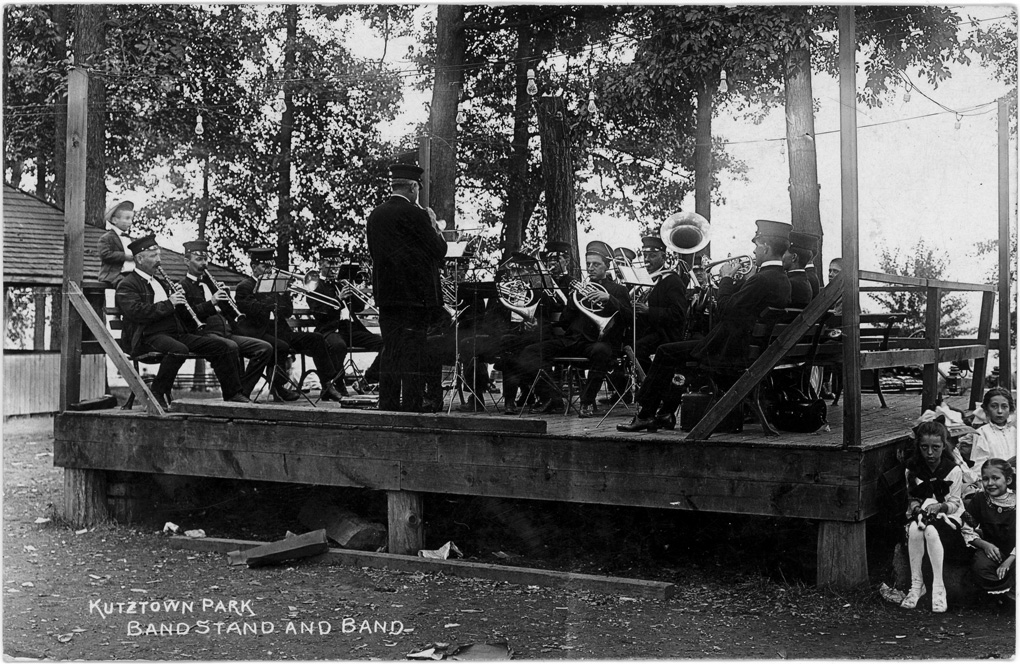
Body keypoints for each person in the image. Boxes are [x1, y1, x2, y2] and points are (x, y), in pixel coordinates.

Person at [618, 218, 793, 432]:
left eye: (756, 246)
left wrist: (727, 278)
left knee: (665, 352)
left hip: (729, 351)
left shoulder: (762, 279)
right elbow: (740, 306)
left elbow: (726, 309)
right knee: (677, 354)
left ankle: (645, 414)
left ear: (766, 247)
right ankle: (665, 414)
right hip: (743, 348)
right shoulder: (780, 279)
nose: (754, 251)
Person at [115, 234, 249, 410]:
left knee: (224, 346)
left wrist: (179, 299)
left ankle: (233, 394)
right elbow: (137, 312)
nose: (159, 260)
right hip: (146, 336)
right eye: (154, 256)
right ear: (139, 259)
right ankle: (157, 392)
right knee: (179, 350)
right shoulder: (127, 284)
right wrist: (170, 303)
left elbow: (177, 311)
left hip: (174, 334)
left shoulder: (160, 282)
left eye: (159, 255)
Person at [366, 163, 448, 412]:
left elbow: (375, 254)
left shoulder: (375, 215)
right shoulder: (418, 214)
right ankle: (411, 405)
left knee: (391, 350)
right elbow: (439, 250)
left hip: (387, 297)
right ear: (413, 187)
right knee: (413, 352)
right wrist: (433, 224)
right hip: (416, 299)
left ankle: (388, 404)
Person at [517, 243, 632, 418]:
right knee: (529, 352)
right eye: (589, 264)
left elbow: (629, 318)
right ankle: (552, 398)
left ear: (607, 266)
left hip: (598, 342)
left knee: (601, 351)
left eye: (596, 264)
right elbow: (564, 322)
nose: (591, 269)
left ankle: (586, 402)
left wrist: (609, 299)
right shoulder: (579, 290)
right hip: (572, 341)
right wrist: (572, 300)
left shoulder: (618, 290)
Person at [234, 247, 345, 403]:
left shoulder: (278, 284)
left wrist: (281, 294)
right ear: (253, 267)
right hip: (259, 332)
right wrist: (269, 296)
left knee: (316, 339)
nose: (269, 270)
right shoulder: (244, 286)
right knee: (281, 346)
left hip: (281, 330)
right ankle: (277, 387)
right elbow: (253, 310)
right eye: (265, 266)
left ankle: (327, 384)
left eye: (271, 266)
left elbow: (287, 311)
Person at [177, 240, 274, 400]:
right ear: (187, 261)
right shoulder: (183, 286)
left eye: (206, 259)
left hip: (227, 333)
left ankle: (243, 392)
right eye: (199, 259)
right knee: (230, 347)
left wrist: (227, 298)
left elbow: (231, 313)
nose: (204, 263)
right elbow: (186, 317)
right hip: (203, 334)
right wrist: (212, 303)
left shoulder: (211, 284)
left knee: (264, 348)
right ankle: (233, 394)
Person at [900, 420, 967, 613]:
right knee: (915, 528)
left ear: (943, 446)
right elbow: (912, 497)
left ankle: (939, 587)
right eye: (925, 447)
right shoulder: (912, 469)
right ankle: (916, 585)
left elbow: (955, 503)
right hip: (922, 516)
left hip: (947, 519)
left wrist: (940, 506)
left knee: (929, 530)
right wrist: (916, 508)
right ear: (918, 446)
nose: (930, 453)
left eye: (935, 448)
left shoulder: (952, 470)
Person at [308, 249, 383, 392]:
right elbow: (320, 314)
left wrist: (352, 291)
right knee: (338, 346)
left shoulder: (340, 283)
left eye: (336, 262)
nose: (334, 266)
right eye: (330, 262)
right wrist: (339, 298)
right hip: (330, 329)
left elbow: (360, 307)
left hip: (350, 328)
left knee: (385, 344)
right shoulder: (314, 285)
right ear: (321, 264)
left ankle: (367, 379)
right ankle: (336, 384)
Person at [961, 458, 1016, 599]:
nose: (990, 483)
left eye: (996, 478)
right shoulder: (980, 500)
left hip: (1015, 553)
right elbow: (967, 529)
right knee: (980, 565)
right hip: (995, 552)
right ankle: (1001, 594)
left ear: (1008, 480)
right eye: (985, 479)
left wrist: (1009, 560)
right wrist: (985, 545)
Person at [970, 387, 1017, 470]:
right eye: (994, 406)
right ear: (986, 409)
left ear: (1010, 410)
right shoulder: (981, 433)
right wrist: (1007, 464)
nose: (999, 411)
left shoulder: (1015, 431)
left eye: (1004, 406)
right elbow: (979, 468)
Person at [98, 199, 136, 286]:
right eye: (127, 218)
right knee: (127, 285)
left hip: (131, 275)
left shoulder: (130, 239)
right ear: (115, 220)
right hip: (114, 275)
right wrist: (125, 256)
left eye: (131, 219)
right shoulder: (107, 238)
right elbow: (105, 254)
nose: (130, 222)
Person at [785, 231, 815, 308]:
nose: (781, 256)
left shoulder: (789, 283)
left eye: (784, 253)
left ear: (794, 257)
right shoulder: (804, 280)